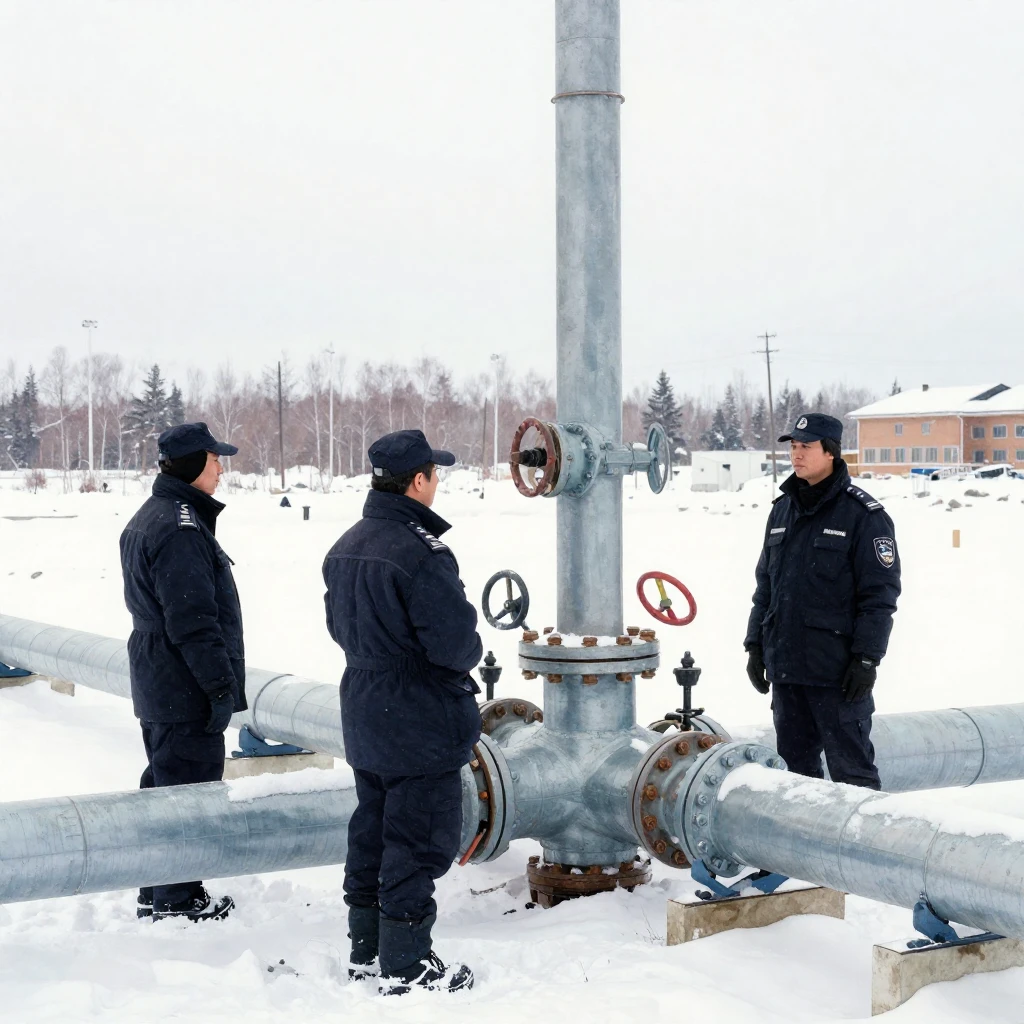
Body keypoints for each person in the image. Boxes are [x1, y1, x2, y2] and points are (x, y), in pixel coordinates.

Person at [322, 429, 482, 995]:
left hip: (365, 709)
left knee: (372, 830)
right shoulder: (421, 552)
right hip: (419, 717)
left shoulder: (345, 545)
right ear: (418, 480)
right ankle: (407, 964)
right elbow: (455, 645)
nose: (437, 483)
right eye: (434, 474)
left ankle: (367, 950)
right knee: (417, 841)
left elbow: (338, 627)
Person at [120, 422, 246, 922]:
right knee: (189, 791)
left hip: (159, 674)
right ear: (194, 465)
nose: (221, 470)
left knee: (165, 779)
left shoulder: (154, 514)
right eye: (215, 461)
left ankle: (156, 886)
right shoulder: (180, 529)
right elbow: (193, 622)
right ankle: (177, 899)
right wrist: (218, 688)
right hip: (181, 680)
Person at [744, 413, 901, 790]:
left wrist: (867, 659)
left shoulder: (863, 516)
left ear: (830, 452)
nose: (796, 455)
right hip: (787, 672)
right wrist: (755, 646)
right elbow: (766, 586)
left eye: (806, 447)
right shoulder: (782, 510)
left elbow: (879, 596)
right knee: (795, 780)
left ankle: (863, 831)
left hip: (838, 675)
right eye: (793, 447)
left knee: (854, 777)